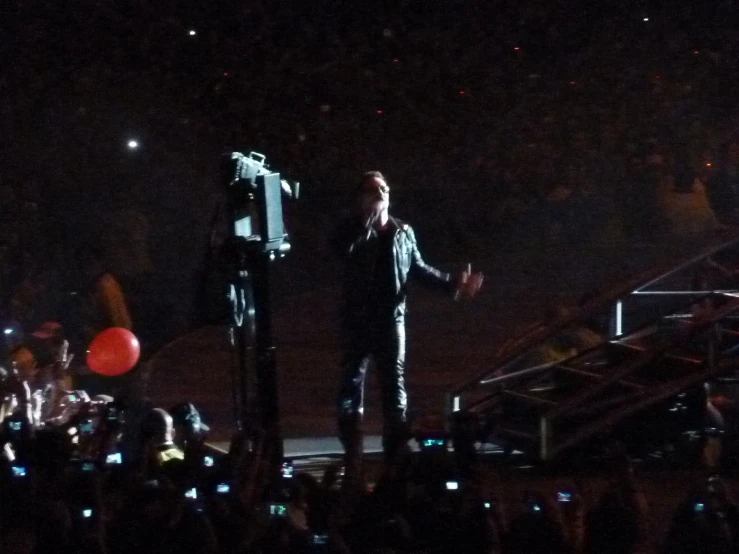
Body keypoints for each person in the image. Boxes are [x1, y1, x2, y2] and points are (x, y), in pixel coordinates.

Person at [330, 171, 483, 474]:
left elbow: (419, 268)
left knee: (394, 387)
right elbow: (339, 254)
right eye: (372, 191)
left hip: (390, 320)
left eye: (383, 189)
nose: (380, 194)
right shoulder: (349, 228)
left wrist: (452, 284)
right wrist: (365, 227)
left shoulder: (403, 232)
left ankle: (395, 454)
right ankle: (353, 452)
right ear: (360, 198)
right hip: (358, 321)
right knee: (351, 384)